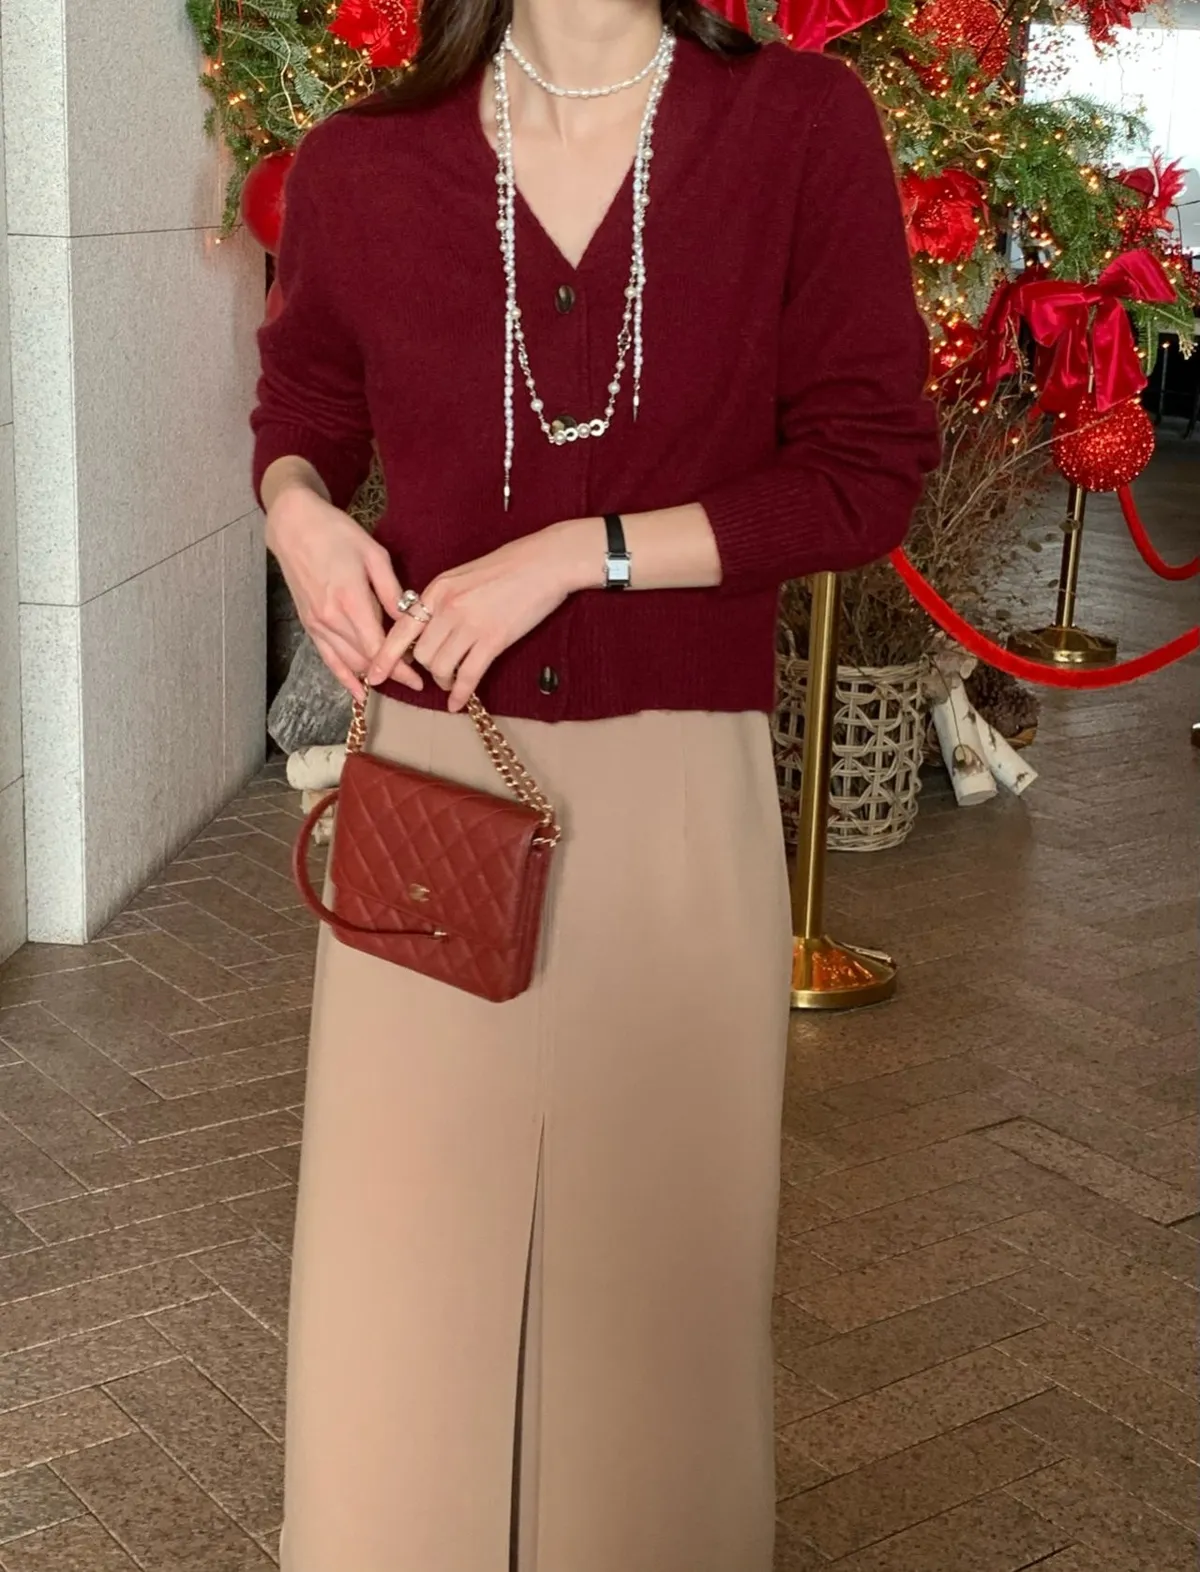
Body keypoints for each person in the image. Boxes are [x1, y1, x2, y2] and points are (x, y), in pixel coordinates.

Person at [251, 2, 939, 1568]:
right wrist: (298, 514)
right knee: (397, 1289)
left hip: (677, 799)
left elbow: (863, 470)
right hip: (434, 792)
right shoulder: (365, 163)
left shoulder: (797, 129)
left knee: (656, 1298)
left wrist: (581, 554)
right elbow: (304, 419)